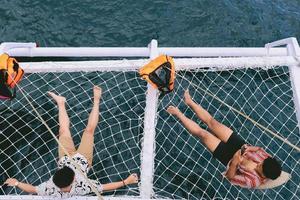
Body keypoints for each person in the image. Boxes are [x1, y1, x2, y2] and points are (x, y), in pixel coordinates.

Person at [4, 86, 138, 197]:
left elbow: (33, 189)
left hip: (64, 156)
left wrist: (17, 183)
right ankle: (96, 100)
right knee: (89, 130)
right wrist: (126, 181)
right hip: (84, 159)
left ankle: (61, 102)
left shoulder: (50, 187)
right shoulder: (83, 187)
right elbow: (105, 187)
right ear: (74, 179)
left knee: (63, 130)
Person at [166, 90, 282, 188]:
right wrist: (250, 148)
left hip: (229, 159)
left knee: (203, 134)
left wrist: (235, 163)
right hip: (241, 146)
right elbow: (259, 149)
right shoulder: (267, 160)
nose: (258, 164)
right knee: (213, 123)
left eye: (259, 167)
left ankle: (178, 114)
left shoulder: (252, 181)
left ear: (264, 176)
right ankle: (189, 102)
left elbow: (230, 177)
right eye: (261, 163)